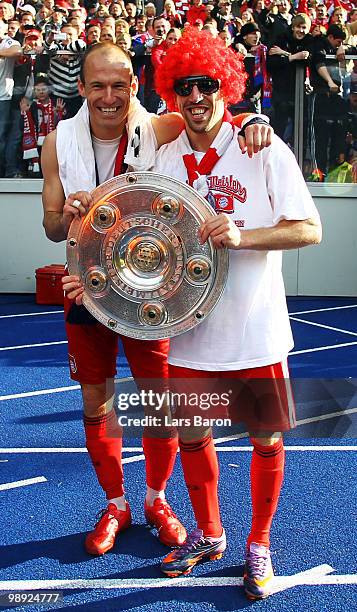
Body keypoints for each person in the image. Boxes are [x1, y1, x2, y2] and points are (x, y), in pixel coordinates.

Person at [43, 42, 273, 558]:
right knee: (96, 400)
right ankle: (116, 502)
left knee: (159, 403)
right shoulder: (58, 142)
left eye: (119, 85)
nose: (109, 96)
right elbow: (52, 224)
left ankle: (156, 499)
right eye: (98, 85)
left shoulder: (156, 127)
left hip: (154, 288)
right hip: (89, 286)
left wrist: (257, 116)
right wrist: (72, 212)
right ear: (80, 88)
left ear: (135, 87)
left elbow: (211, 116)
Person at [152, 28, 322, 600]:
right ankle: (209, 533)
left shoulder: (262, 147)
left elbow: (309, 229)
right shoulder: (164, 157)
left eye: (206, 84)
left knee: (266, 439)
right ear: (171, 94)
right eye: (183, 87)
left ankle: (259, 541)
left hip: (257, 330)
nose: (196, 96)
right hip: (191, 334)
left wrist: (243, 236)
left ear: (225, 85)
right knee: (193, 436)